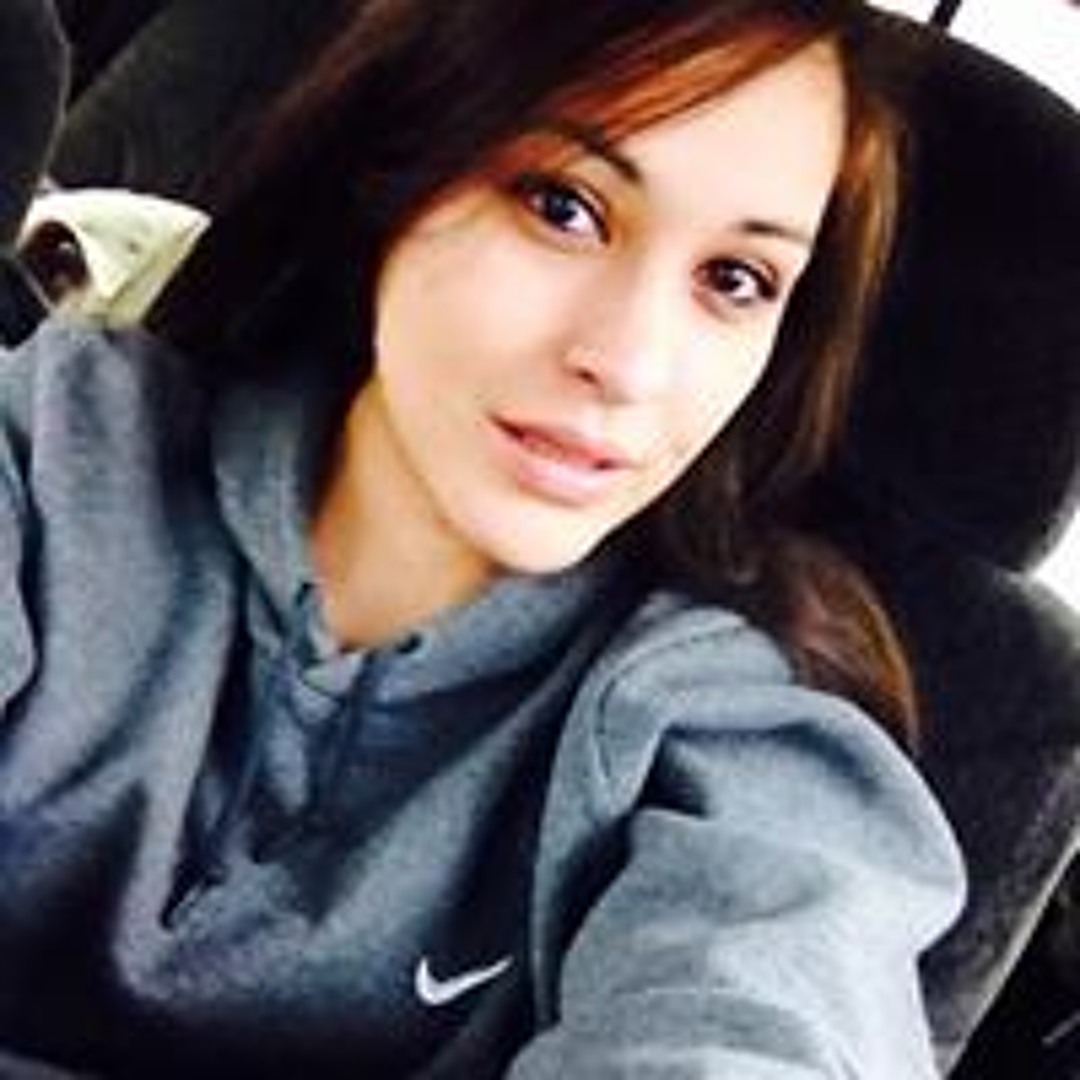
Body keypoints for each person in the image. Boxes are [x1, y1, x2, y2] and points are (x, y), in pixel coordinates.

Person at [0, 0, 965, 1076]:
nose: (631, 364)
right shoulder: (60, 448)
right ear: (399, 170)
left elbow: (766, 1016)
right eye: (564, 207)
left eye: (733, 281)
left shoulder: (730, 742)